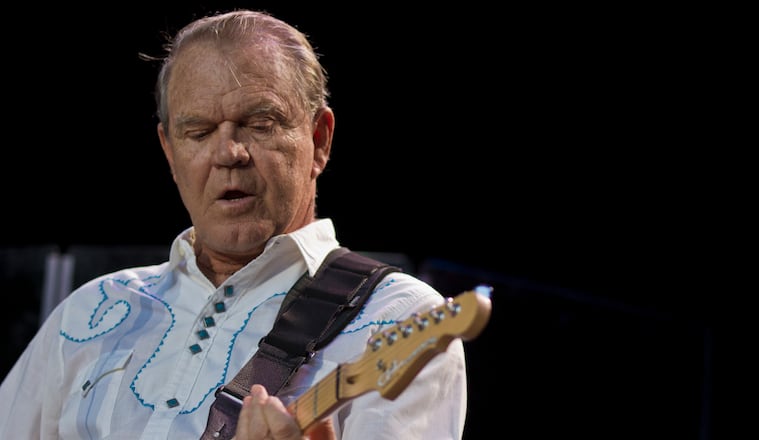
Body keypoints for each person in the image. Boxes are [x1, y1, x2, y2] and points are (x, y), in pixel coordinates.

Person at [0, 9, 468, 440]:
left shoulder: (401, 316)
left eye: (260, 124)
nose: (228, 154)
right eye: (199, 132)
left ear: (319, 140)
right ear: (169, 150)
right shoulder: (86, 313)